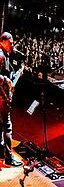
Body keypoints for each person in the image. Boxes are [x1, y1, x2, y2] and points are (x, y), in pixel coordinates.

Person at [0, 32, 21, 166]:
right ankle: (9, 158)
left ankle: (1, 153)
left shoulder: (5, 54)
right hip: (1, 97)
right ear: (2, 42)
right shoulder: (1, 55)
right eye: (10, 43)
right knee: (7, 127)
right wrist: (6, 80)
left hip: (2, 95)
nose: (12, 45)